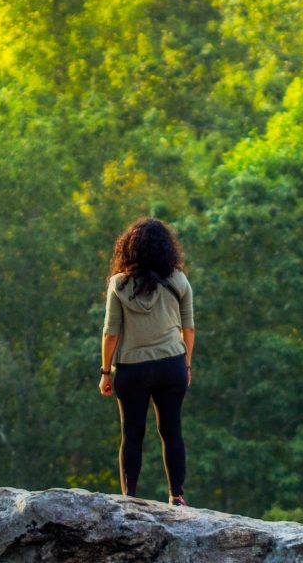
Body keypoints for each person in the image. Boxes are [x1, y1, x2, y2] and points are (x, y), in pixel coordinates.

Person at [99, 216, 195, 506]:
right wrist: (186, 364)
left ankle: (129, 498)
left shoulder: (119, 284)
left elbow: (110, 333)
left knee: (132, 433)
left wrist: (105, 372)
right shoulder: (178, 280)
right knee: (171, 430)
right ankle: (176, 496)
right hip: (171, 364)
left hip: (132, 368)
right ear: (167, 248)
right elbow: (188, 328)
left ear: (129, 249)